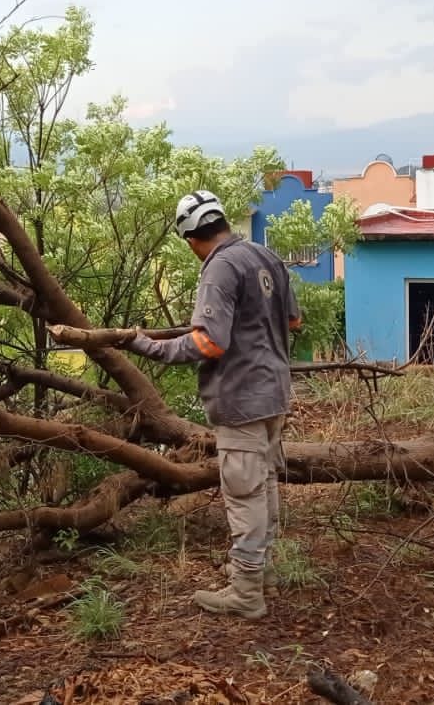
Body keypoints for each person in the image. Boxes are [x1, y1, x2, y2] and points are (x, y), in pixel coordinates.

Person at [121, 189, 302, 620]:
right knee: (264, 484)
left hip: (241, 397)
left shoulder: (219, 267)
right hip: (275, 392)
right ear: (221, 219)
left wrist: (147, 345)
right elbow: (292, 320)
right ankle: (262, 569)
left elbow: (209, 342)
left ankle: (245, 593)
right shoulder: (263, 255)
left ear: (189, 239)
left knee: (244, 493)